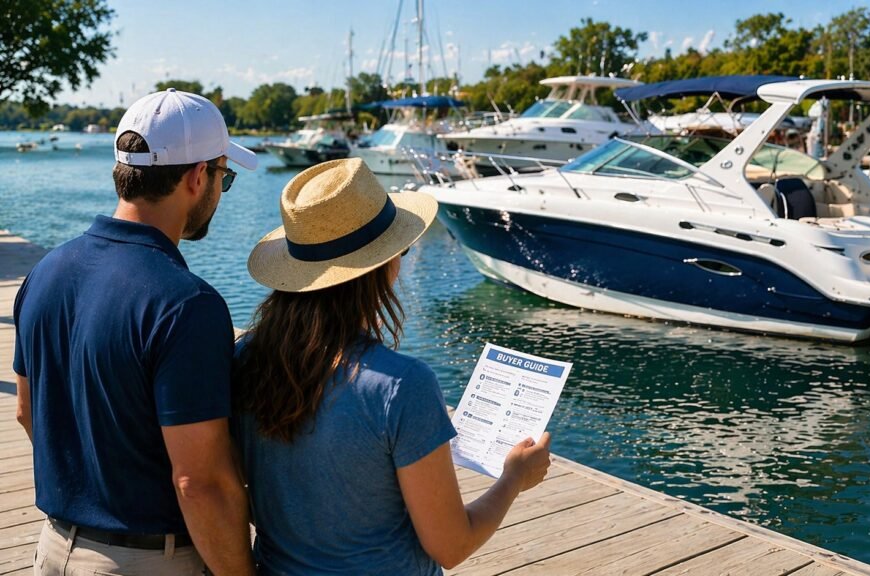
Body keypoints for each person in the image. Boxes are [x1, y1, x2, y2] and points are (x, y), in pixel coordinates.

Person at [232, 158, 552, 575]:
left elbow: (249, 497)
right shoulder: (401, 386)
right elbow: (451, 546)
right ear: (383, 265)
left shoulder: (246, 359)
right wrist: (514, 478)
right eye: (401, 248)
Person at [13, 89, 258, 576]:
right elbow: (199, 483)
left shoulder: (45, 272)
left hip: (53, 550)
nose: (220, 191)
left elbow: (26, 411)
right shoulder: (187, 304)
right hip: (146, 561)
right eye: (223, 177)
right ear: (196, 177)